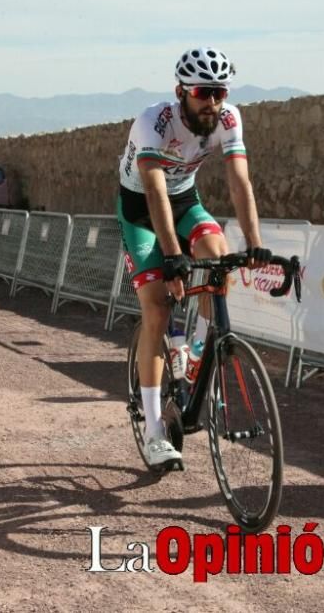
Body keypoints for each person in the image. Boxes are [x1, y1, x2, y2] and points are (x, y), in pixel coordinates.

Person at [116, 46, 272, 468]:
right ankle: (152, 432)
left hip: (185, 201)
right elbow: (153, 192)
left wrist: (254, 243)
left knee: (219, 257)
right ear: (181, 91)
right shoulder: (154, 122)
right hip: (142, 211)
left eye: (220, 91)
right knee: (157, 309)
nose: (213, 101)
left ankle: (197, 348)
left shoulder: (228, 118)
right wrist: (170, 257)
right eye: (204, 91)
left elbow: (239, 180)